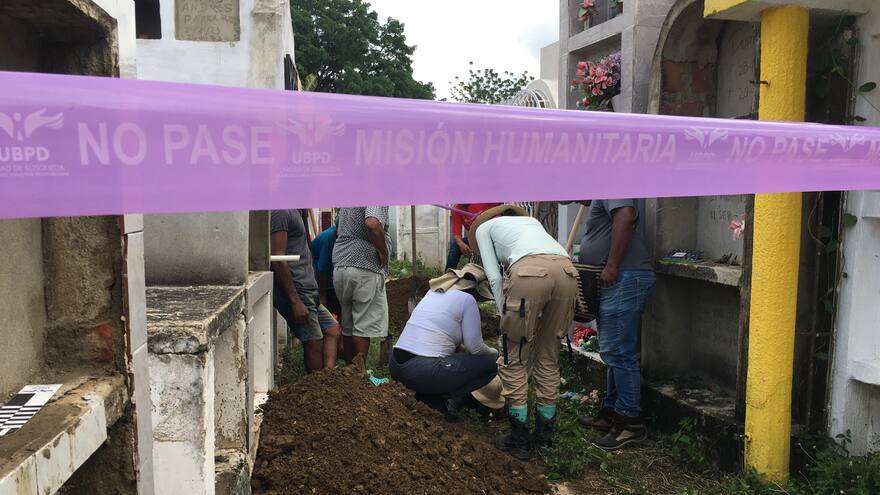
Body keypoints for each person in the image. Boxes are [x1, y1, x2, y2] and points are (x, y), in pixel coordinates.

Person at [471, 204, 578, 460]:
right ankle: (545, 439)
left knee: (513, 357)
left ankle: (519, 439)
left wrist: (503, 312)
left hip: (529, 274)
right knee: (548, 356)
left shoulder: (486, 228)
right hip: (567, 272)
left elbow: (494, 277)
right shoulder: (532, 224)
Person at [576, 199, 656, 450]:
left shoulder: (615, 179)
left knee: (619, 352)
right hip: (615, 279)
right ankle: (611, 413)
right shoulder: (604, 188)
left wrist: (611, 266)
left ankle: (630, 423)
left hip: (622, 276)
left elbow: (625, 216)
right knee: (611, 351)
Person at [390, 264, 498, 422]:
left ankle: (429, 397)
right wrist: (495, 353)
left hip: (396, 365)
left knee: (455, 360)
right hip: (423, 372)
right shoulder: (467, 300)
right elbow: (475, 347)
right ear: (475, 290)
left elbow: (441, 335)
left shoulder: (433, 293)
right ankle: (434, 399)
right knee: (489, 366)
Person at [271, 209, 341, 372]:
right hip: (298, 290)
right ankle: (316, 388)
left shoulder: (297, 211)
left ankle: (328, 379)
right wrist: (295, 300)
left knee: (333, 330)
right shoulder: (281, 211)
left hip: (308, 288)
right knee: (313, 341)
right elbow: (278, 258)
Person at [332, 206, 390, 363]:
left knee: (349, 324)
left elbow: (338, 225)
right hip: (363, 266)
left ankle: (351, 377)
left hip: (341, 265)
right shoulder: (375, 187)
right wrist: (383, 250)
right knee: (363, 327)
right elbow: (372, 223)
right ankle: (360, 375)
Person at [445, 203, 501, 270]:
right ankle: (448, 276)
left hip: (492, 236)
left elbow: (500, 208)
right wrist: (461, 244)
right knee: (455, 246)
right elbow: (456, 232)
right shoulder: (457, 209)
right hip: (475, 238)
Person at [311, 222, 340, 316]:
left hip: (330, 280)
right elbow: (321, 269)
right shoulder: (330, 237)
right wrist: (322, 297)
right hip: (319, 283)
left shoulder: (337, 234)